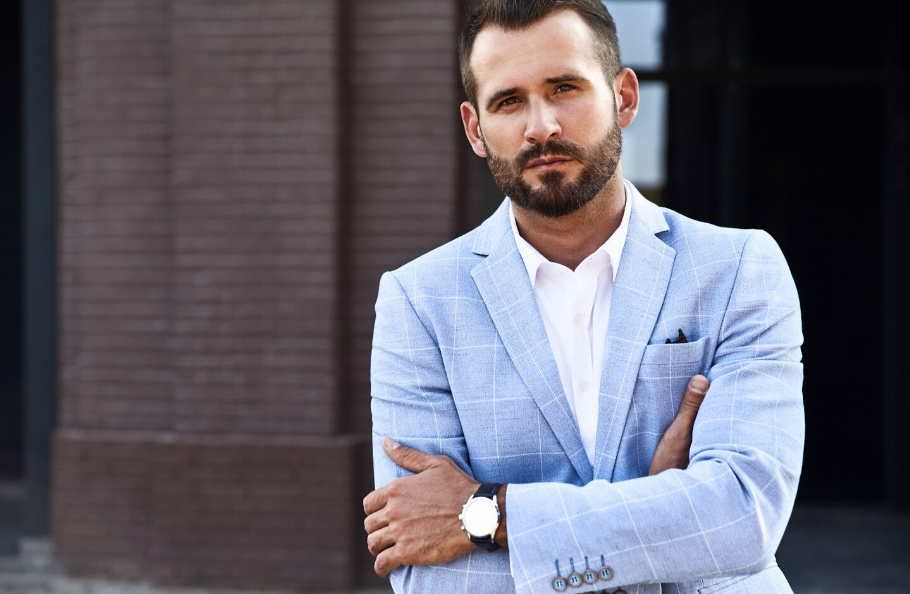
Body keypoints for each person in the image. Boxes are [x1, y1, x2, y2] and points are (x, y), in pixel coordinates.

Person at [363, 1, 804, 592]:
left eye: (564, 88)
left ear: (624, 97)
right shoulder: (418, 303)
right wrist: (659, 515)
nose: (541, 126)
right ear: (475, 129)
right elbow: (428, 569)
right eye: (508, 101)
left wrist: (487, 514)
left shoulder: (737, 270)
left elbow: (744, 517)